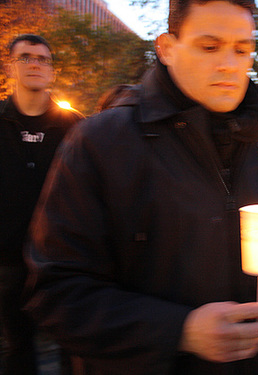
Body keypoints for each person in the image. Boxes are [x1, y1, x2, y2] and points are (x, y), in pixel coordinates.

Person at [24, 1, 258, 374]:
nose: (230, 64)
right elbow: (55, 292)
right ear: (166, 48)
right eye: (209, 47)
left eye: (242, 49)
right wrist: (180, 330)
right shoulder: (102, 143)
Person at [0, 34, 83, 374]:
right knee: (17, 349)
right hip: (6, 262)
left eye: (43, 59)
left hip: (63, 262)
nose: (35, 63)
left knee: (72, 347)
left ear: (52, 71)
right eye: (26, 57)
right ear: (10, 66)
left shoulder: (77, 127)